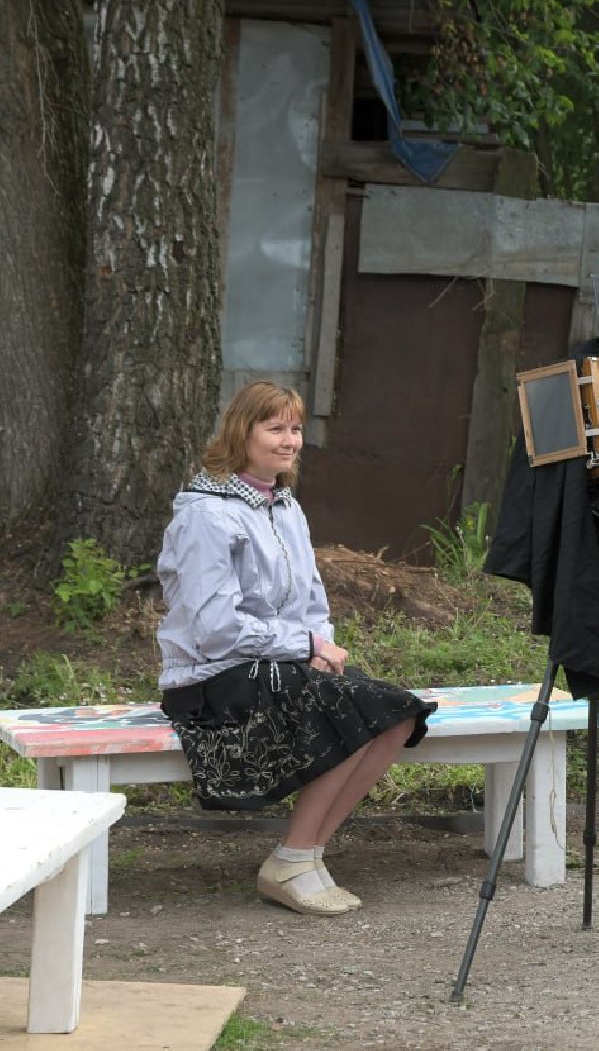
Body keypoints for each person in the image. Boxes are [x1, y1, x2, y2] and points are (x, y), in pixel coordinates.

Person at [155, 381, 436, 917]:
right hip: (211, 678)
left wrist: (318, 647)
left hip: (276, 665)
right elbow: (215, 628)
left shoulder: (285, 507)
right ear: (244, 432)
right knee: (347, 709)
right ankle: (291, 859)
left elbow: (311, 599)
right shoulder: (206, 514)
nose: (290, 441)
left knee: (397, 714)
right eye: (275, 428)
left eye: (296, 429)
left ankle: (304, 855)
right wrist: (301, 644)